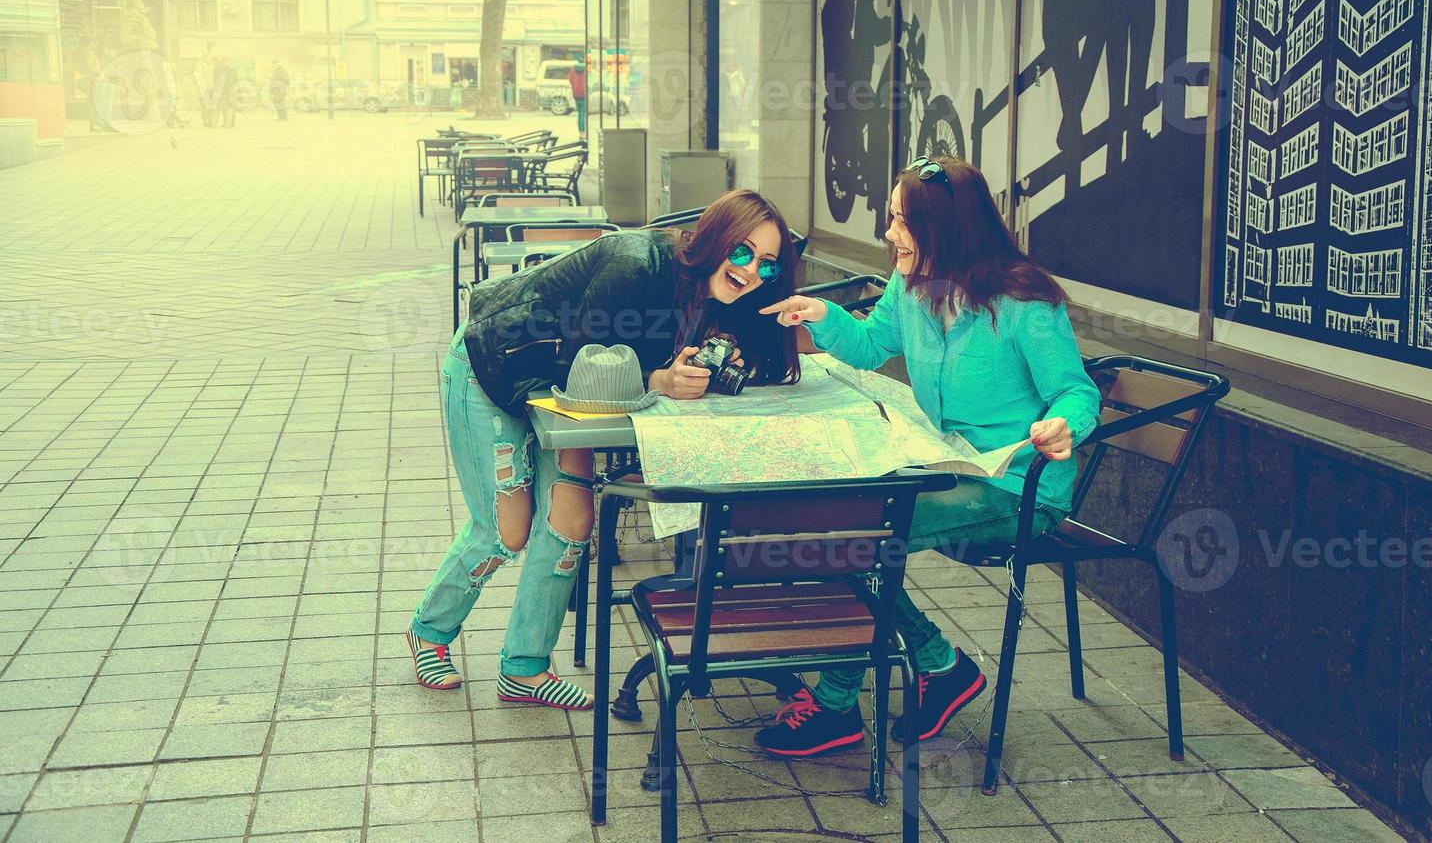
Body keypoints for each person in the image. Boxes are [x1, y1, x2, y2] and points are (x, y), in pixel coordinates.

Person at [754, 156, 1101, 756]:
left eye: (899, 220)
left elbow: (1076, 389)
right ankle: (938, 667)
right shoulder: (910, 284)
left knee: (859, 538)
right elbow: (868, 346)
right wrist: (823, 315)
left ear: (943, 226)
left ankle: (843, 703)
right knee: (839, 521)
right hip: (946, 466)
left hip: (1016, 486)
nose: (888, 233)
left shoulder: (1024, 300)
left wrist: (1064, 422)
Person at [407, 190, 802, 707]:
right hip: (493, 370)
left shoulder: (727, 293)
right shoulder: (634, 263)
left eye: (767, 265)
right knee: (506, 528)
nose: (750, 272)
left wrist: (790, 320)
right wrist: (659, 378)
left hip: (563, 397)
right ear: (715, 238)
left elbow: (770, 369)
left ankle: (523, 668)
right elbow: (584, 364)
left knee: (572, 525)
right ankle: (430, 630)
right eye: (743, 251)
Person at [569, 61, 588, 139]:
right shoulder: (585, 71)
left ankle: (581, 132)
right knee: (583, 115)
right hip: (584, 95)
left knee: (580, 115)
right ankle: (584, 133)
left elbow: (570, 80)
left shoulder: (573, 71)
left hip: (576, 95)